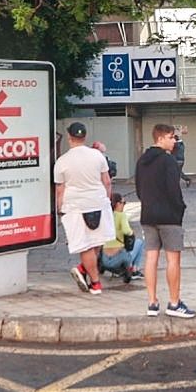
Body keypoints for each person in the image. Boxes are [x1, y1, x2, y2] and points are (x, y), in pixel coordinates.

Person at [136, 123, 193, 318]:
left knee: (151, 258)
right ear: (160, 138)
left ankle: (152, 303)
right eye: (171, 137)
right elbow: (173, 189)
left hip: (148, 215)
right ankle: (174, 303)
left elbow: (138, 189)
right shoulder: (169, 161)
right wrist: (180, 209)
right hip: (169, 216)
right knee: (173, 259)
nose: (174, 141)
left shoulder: (142, 160)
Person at [54, 121, 115, 295]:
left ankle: (95, 283)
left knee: (85, 245)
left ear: (69, 137)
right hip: (98, 202)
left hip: (75, 206)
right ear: (85, 136)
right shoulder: (97, 156)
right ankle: (82, 269)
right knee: (96, 241)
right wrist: (107, 199)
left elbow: (60, 189)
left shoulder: (62, 161)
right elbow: (107, 181)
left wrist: (60, 208)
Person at [97, 192, 144, 282]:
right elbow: (127, 231)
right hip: (119, 257)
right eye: (124, 203)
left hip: (105, 258)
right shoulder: (121, 215)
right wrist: (131, 232)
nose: (124, 205)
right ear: (118, 204)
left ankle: (121, 270)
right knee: (139, 242)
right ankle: (134, 269)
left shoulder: (106, 215)